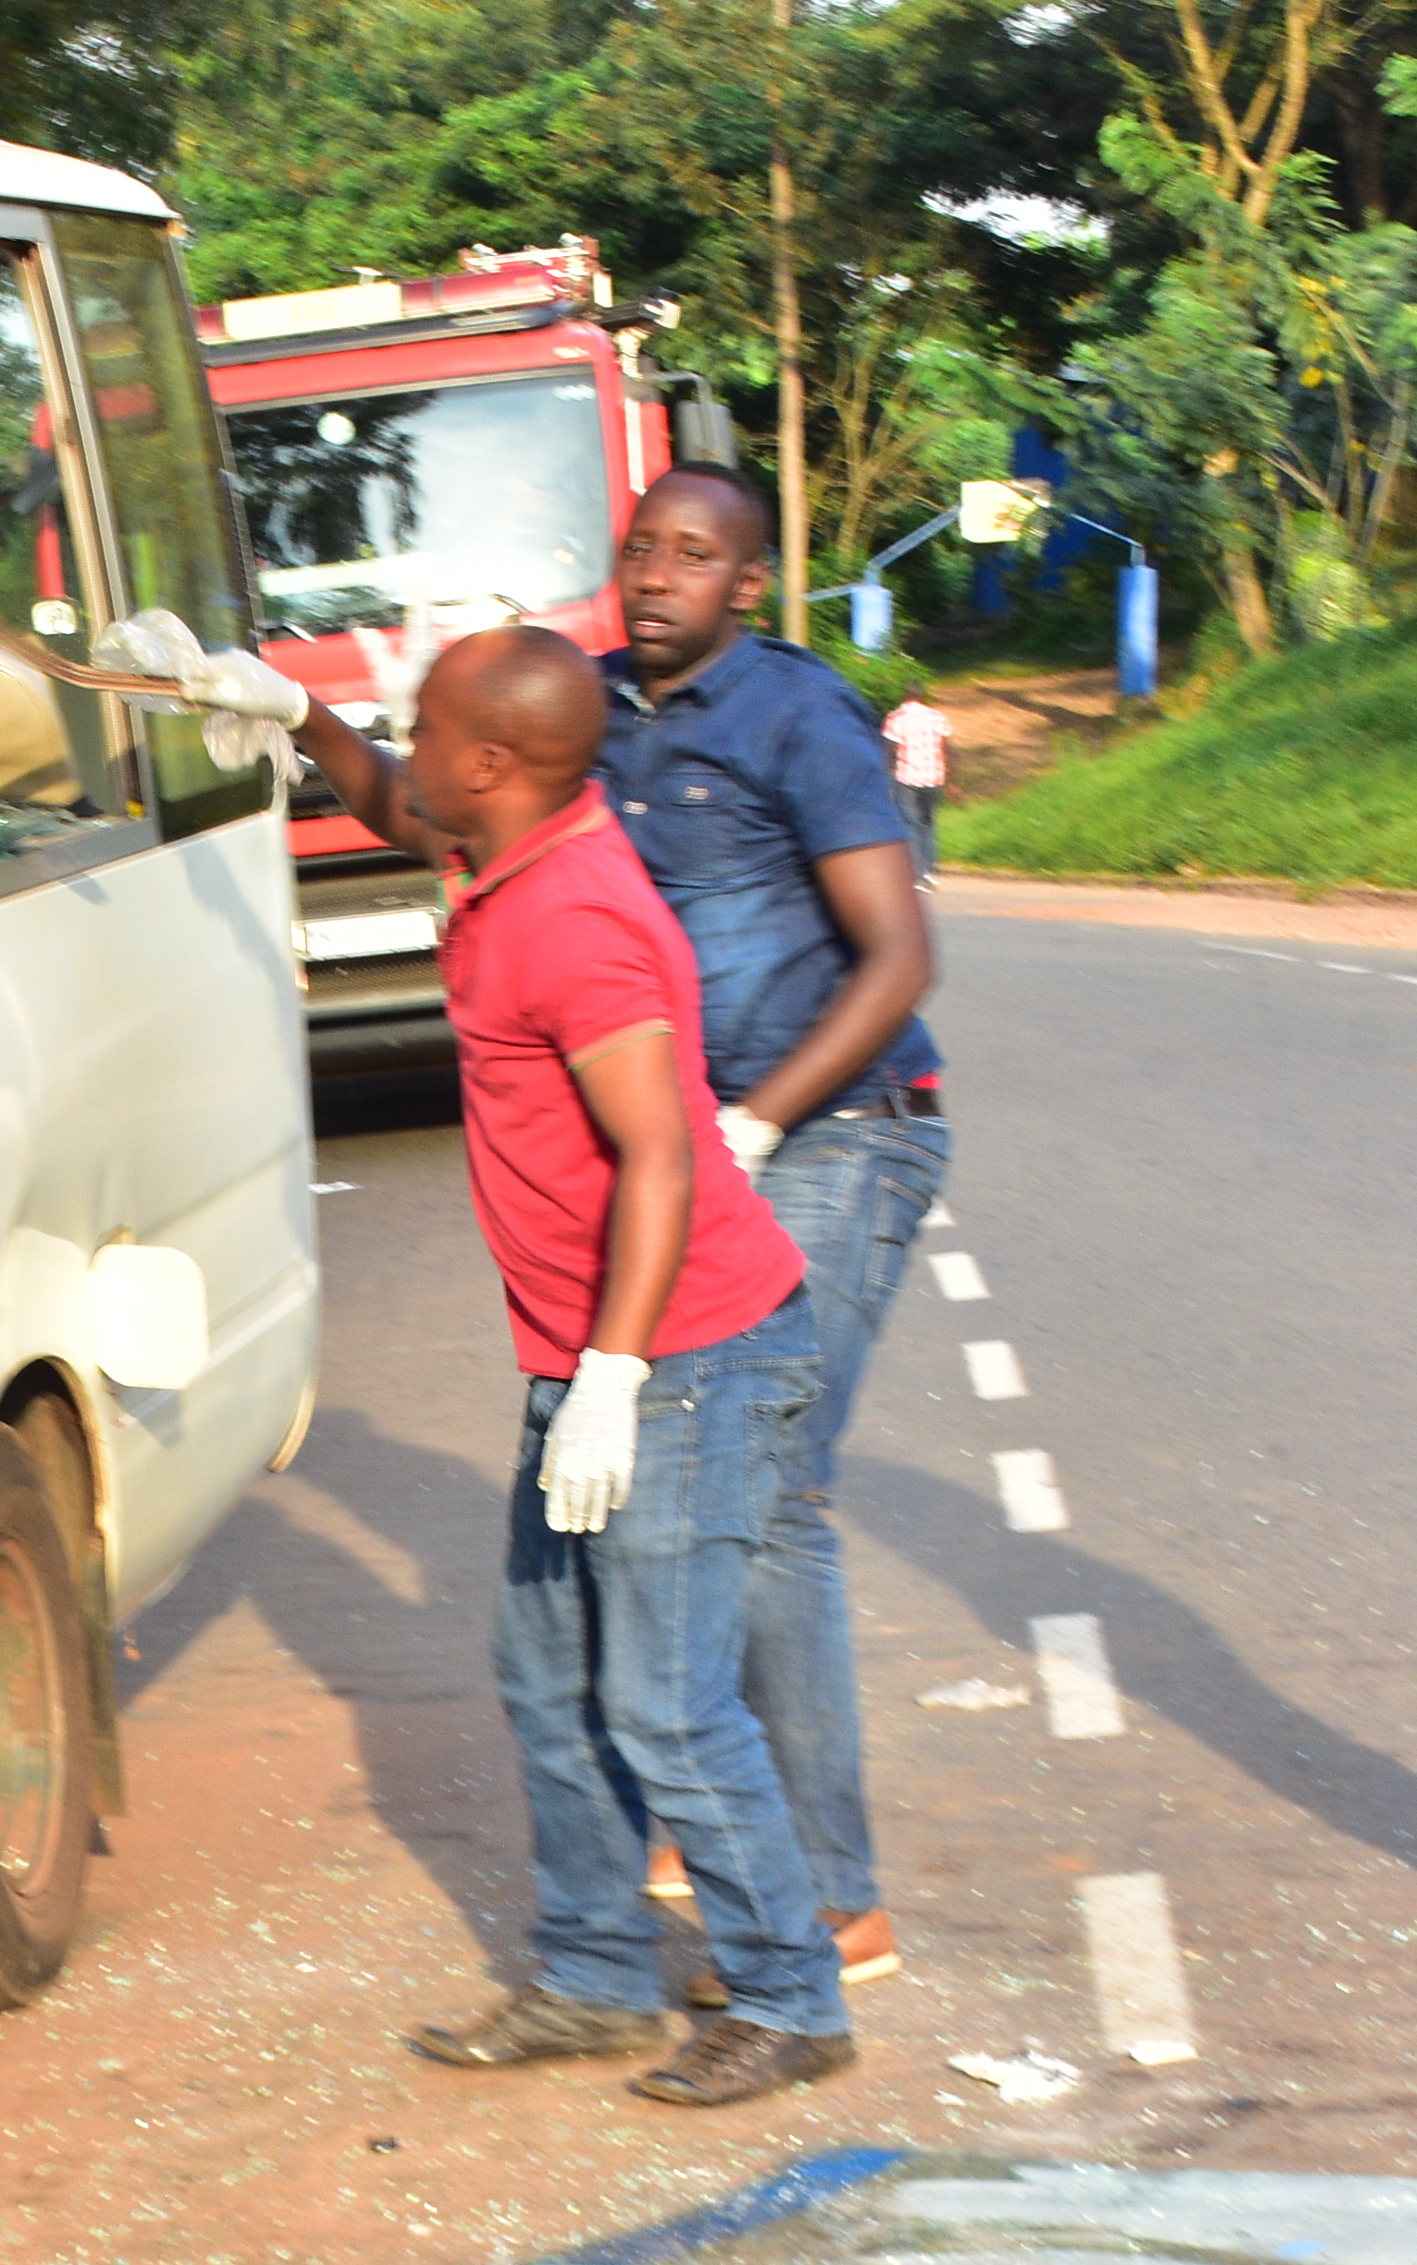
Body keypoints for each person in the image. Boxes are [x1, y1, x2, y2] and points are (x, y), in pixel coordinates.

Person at [157, 618, 856, 2106]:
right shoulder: (514, 839)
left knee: (666, 1701)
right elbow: (402, 803)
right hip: (596, 1355)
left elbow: (659, 1159)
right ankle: (596, 1981)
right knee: (547, 1680)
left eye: (421, 725)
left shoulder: (578, 918)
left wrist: (612, 1379)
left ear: (492, 763)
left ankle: (796, 1999)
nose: (401, 743)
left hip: (685, 1355)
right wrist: (291, 711)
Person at [592, 464, 944, 1990]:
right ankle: (716, 1810)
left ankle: (825, 1895)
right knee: (680, 1469)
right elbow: (442, 794)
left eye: (694, 555)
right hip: (685, 1157)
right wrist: (296, 722)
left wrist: (757, 1122)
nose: (655, 574)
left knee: (774, 1483)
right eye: (639, 547)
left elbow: (897, 955)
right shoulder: (587, 707)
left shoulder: (801, 717)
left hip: (836, 1137)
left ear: (748, 583)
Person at [881, 682, 955, 882]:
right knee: (927, 821)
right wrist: (953, 781)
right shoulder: (937, 718)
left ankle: (918, 870)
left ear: (905, 697)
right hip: (934, 778)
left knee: (910, 823)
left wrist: (886, 781)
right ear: (922, 697)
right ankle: (930, 865)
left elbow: (889, 753)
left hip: (907, 778)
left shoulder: (896, 719)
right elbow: (948, 750)